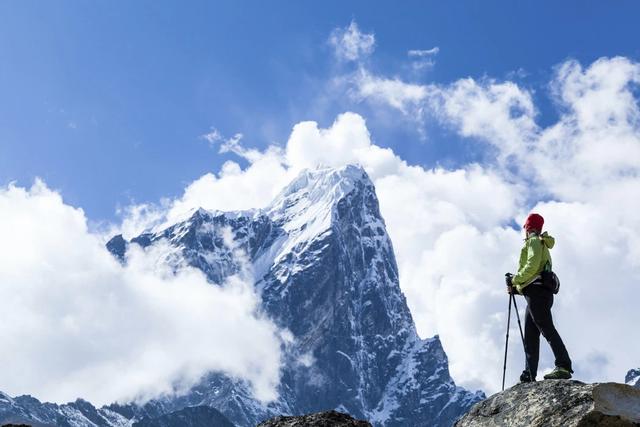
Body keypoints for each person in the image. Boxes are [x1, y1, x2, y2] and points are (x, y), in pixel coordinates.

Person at [506, 213, 573, 382]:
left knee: (545, 328)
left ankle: (563, 365)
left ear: (528, 227)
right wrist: (517, 288)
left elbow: (532, 266)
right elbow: (536, 272)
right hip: (538, 293)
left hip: (537, 293)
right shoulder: (541, 242)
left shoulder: (534, 241)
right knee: (530, 333)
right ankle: (529, 373)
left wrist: (515, 280)